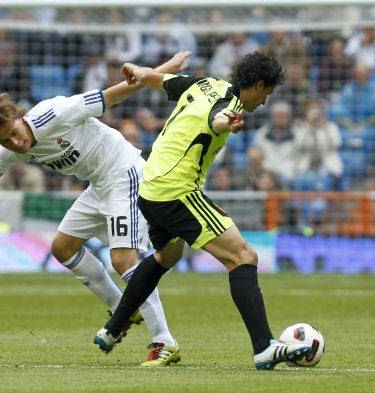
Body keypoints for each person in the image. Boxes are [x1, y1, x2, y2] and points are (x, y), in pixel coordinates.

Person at [0, 52, 191, 367]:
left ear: (18, 116)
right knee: (63, 247)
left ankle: (164, 341)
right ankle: (124, 307)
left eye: (14, 133)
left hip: (124, 172)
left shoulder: (54, 112)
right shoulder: (8, 147)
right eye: (6, 142)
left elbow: (115, 94)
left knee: (123, 260)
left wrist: (162, 72)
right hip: (98, 184)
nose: (17, 143)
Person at [94, 52, 312, 370]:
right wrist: (229, 122)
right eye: (267, 94)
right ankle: (264, 347)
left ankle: (113, 329)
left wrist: (139, 70)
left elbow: (159, 79)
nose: (264, 102)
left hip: (150, 185)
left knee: (167, 256)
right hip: (175, 192)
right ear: (259, 85)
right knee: (243, 257)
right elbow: (217, 119)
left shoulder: (205, 83)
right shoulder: (230, 106)